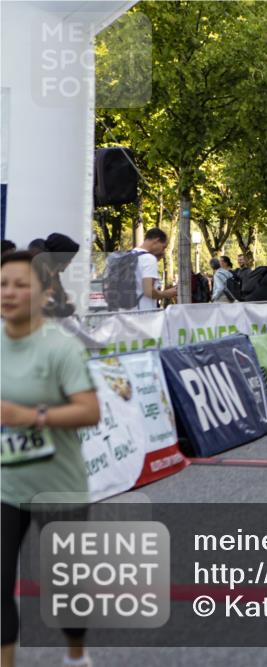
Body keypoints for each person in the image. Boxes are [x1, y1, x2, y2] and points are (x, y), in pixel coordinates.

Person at [2, 249, 101, 667]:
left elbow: (90, 411)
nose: (9, 292)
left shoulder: (60, 348)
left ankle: (76, 655)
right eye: (3, 283)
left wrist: (31, 416)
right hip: (6, 488)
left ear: (43, 294)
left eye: (21, 285)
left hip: (59, 487)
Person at [134, 228, 177, 310]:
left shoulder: (127, 255)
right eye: (163, 247)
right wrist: (165, 294)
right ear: (157, 241)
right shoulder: (148, 258)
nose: (162, 251)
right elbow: (148, 290)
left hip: (124, 314)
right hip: (143, 313)